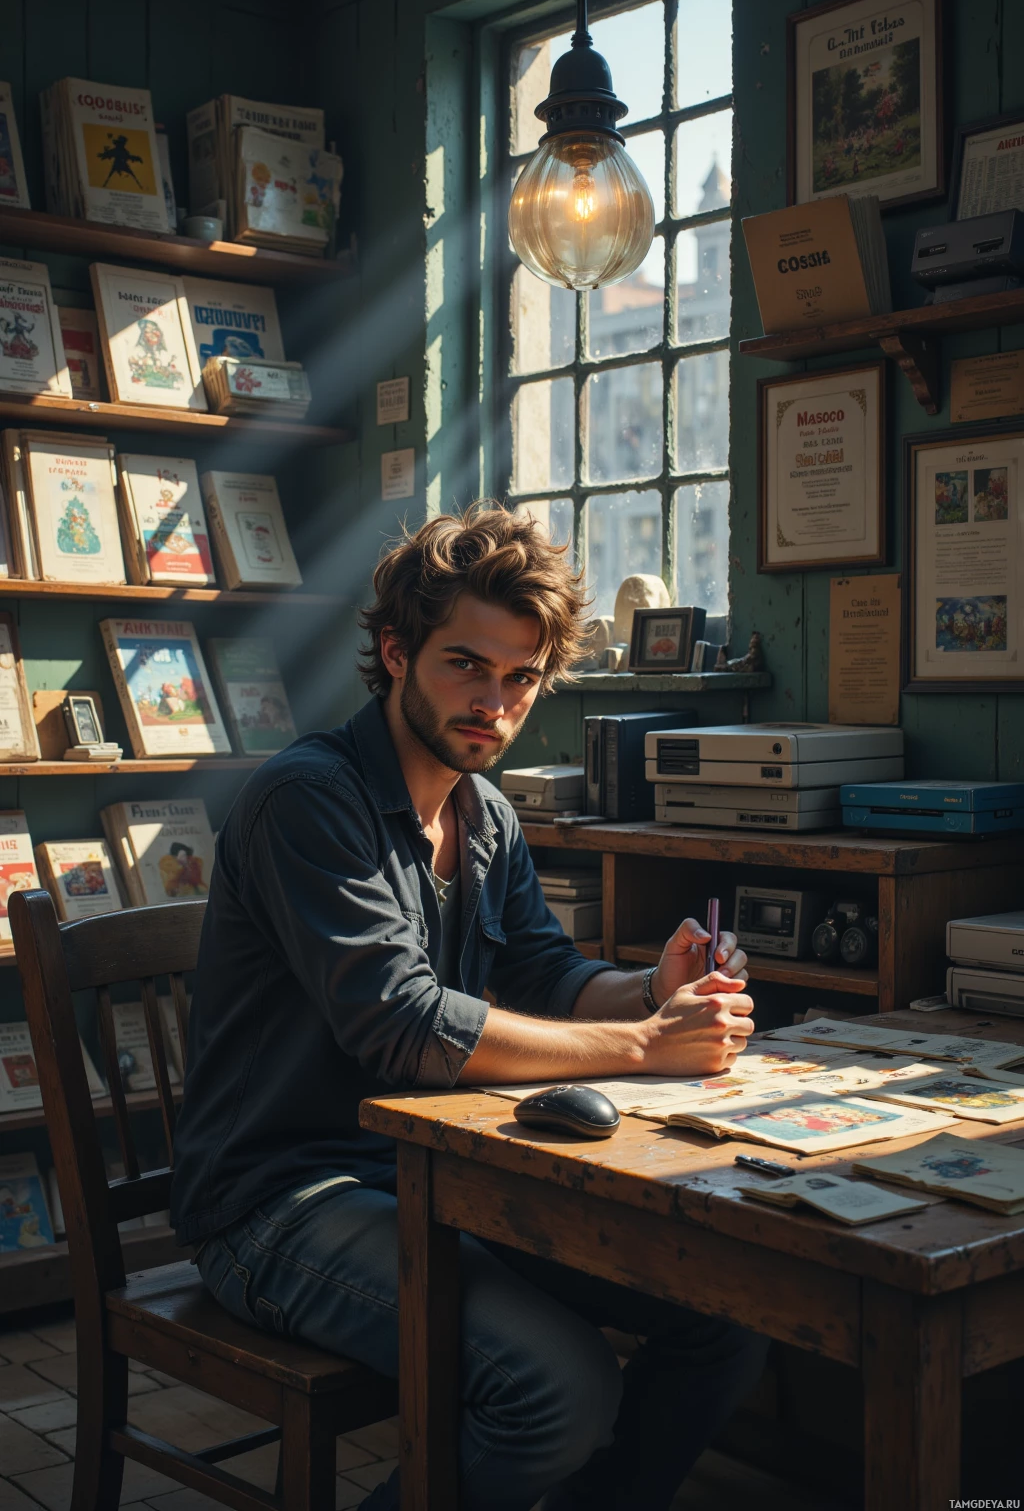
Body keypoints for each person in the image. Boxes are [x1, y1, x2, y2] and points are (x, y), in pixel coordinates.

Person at [171, 505, 767, 1511]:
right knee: (557, 1387)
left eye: (521, 678)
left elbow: (543, 974)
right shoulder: (308, 800)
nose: (494, 702)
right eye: (466, 666)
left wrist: (652, 989)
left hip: (433, 1181)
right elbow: (401, 1024)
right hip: (277, 1202)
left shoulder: (482, 810)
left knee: (726, 1315)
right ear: (397, 652)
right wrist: (642, 1046)